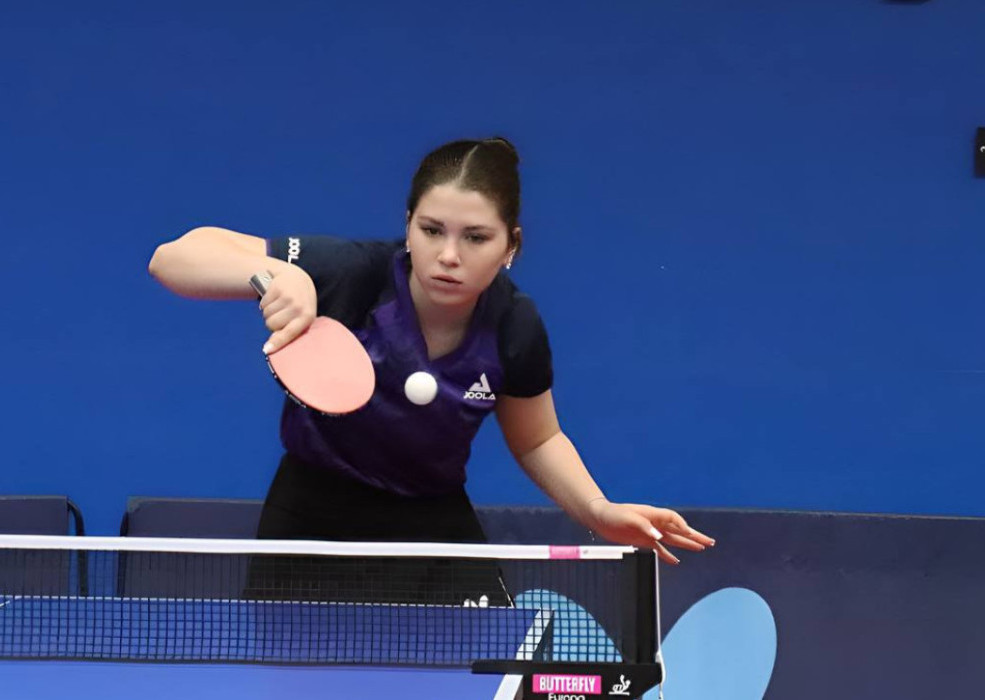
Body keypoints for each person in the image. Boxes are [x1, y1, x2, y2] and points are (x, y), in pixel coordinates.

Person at [148, 137, 714, 603]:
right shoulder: (351, 275)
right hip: (310, 520)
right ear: (408, 224)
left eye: (476, 237)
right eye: (432, 229)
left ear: (511, 246)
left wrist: (597, 510)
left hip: (432, 525)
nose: (448, 255)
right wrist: (278, 275)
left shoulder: (514, 325)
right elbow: (174, 256)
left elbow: (538, 438)